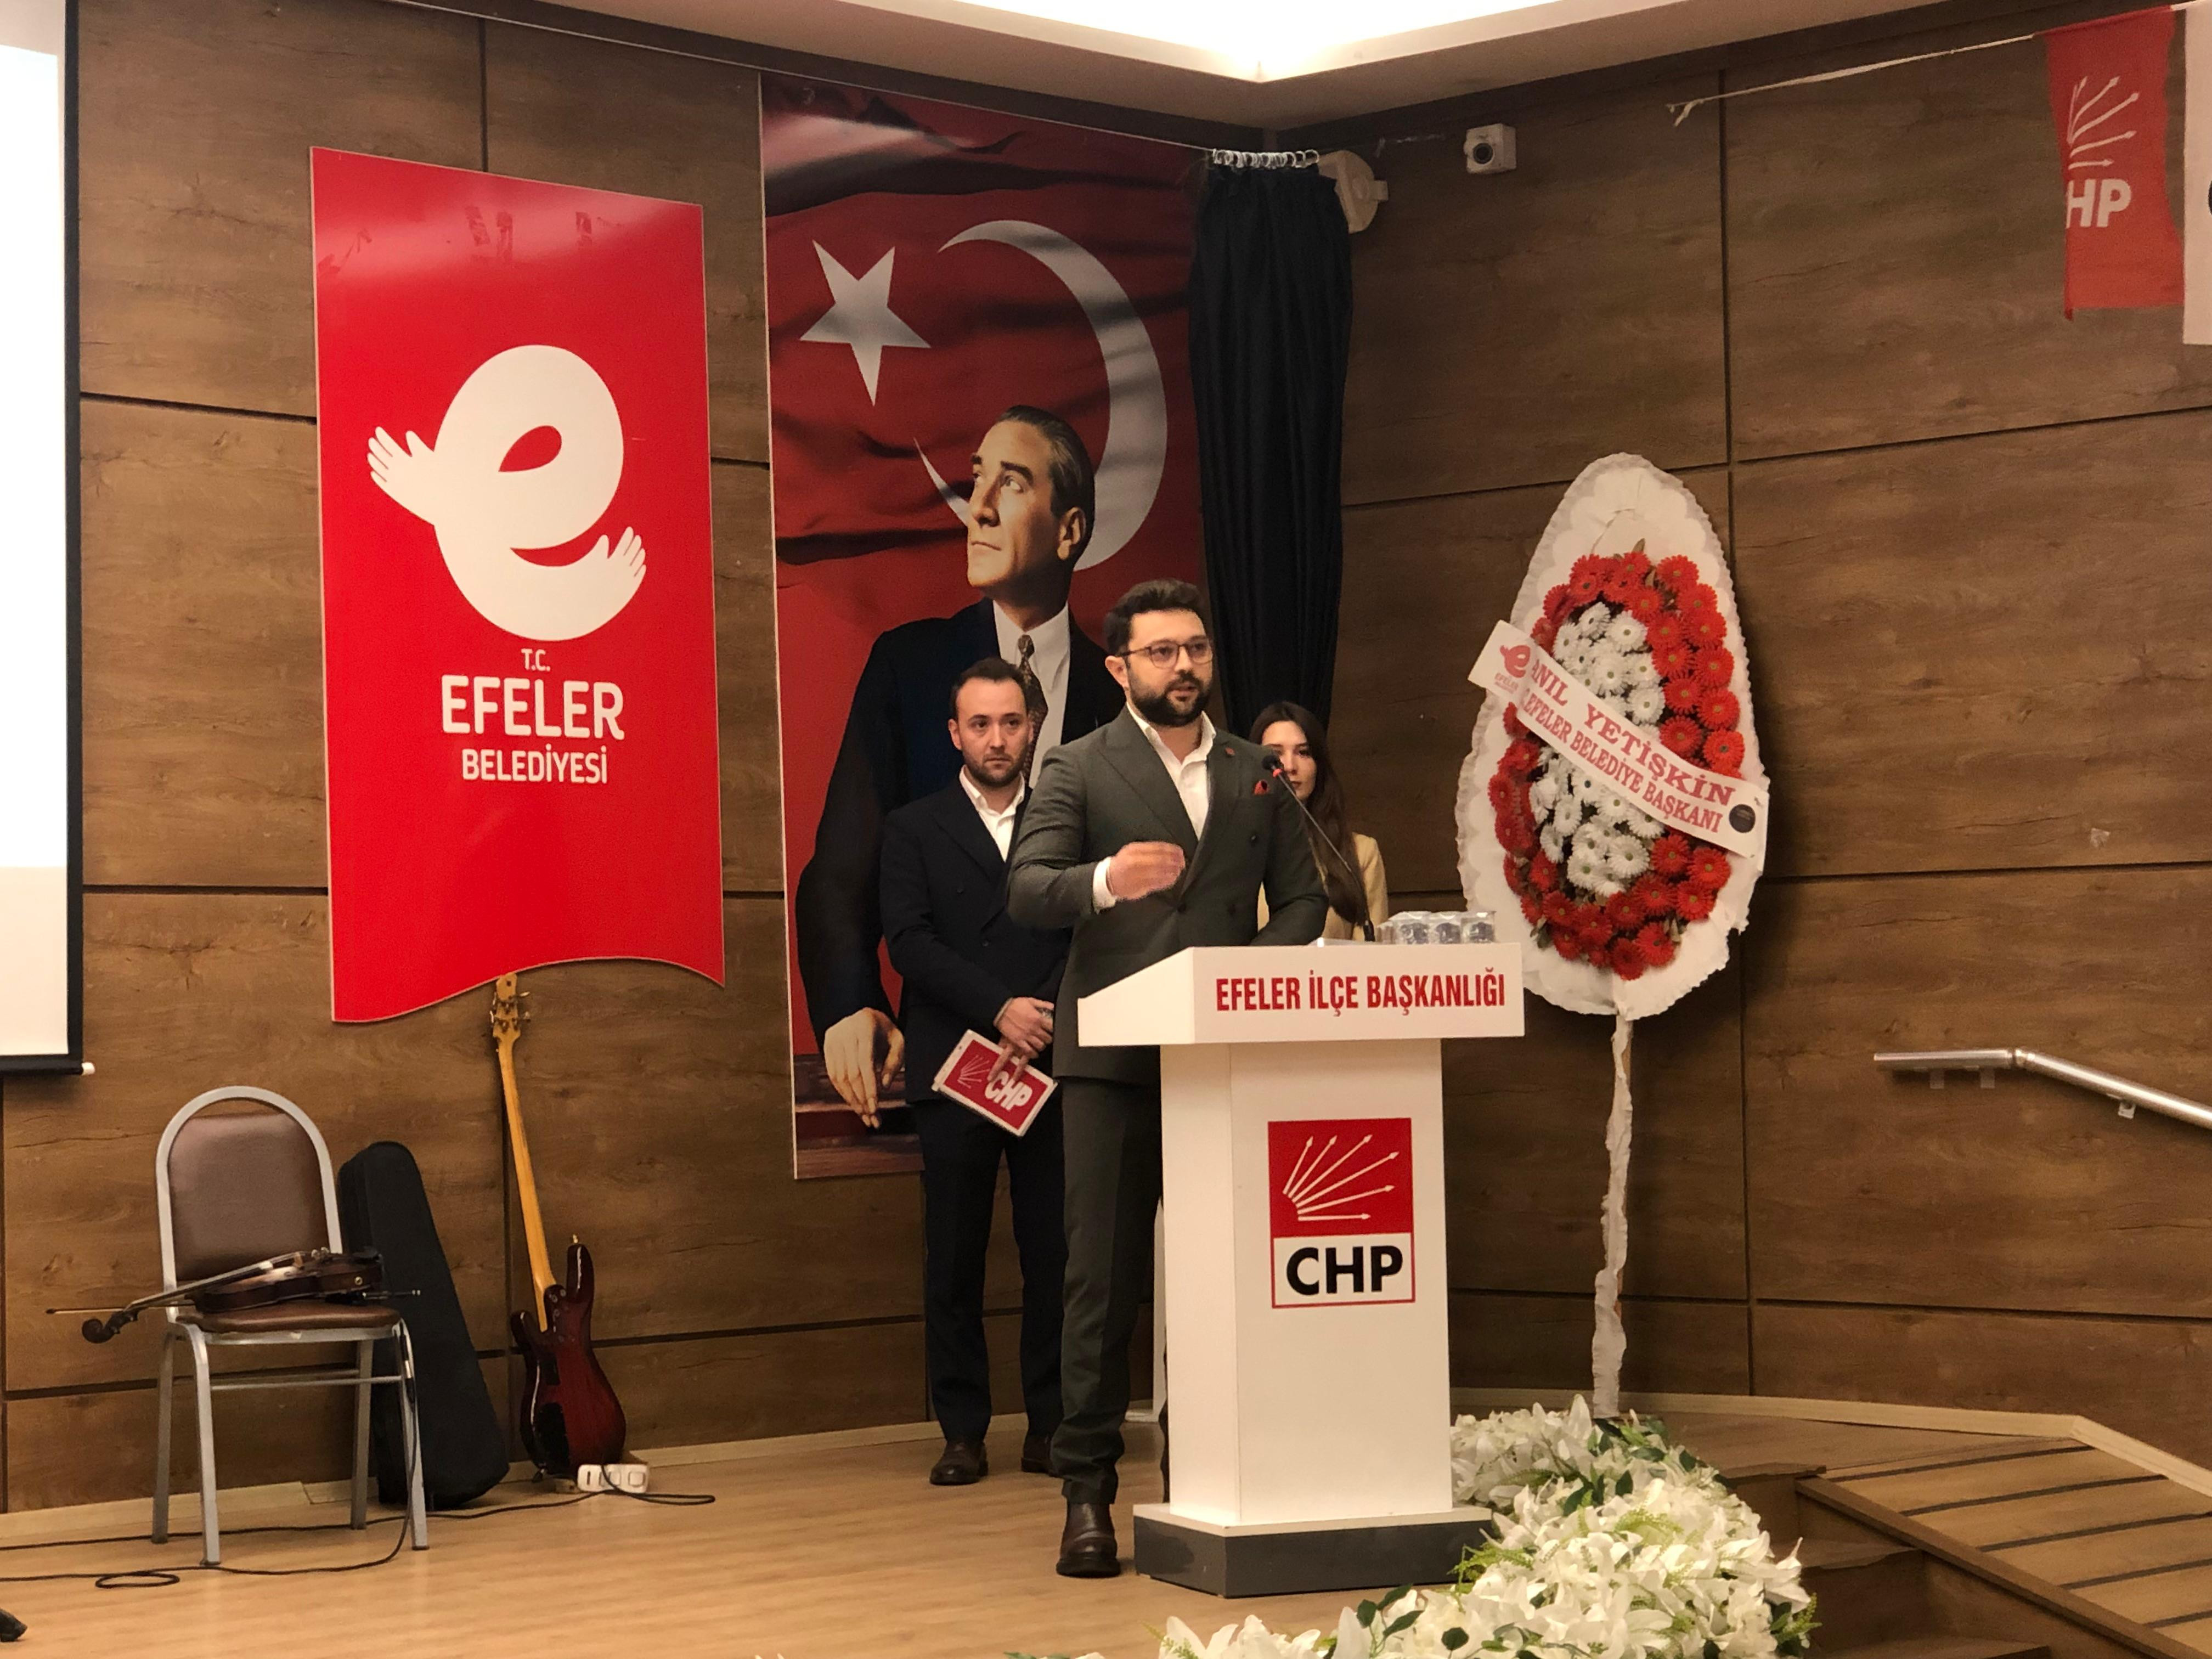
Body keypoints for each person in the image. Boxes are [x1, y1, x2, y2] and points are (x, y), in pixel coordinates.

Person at [1006, 578, 1328, 1578]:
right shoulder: (1076, 764)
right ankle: (1087, 1493)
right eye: (1161, 652)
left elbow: (1304, 900)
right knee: (1101, 1282)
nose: (1184, 666)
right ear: (1118, 668)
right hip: (1111, 1064)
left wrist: (1238, 981)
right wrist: (1107, 881)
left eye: (1195, 648)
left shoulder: (1254, 769)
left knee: (1226, 1278)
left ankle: (1214, 1469)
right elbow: (1027, 889)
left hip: (1221, 1061)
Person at [797, 407, 1123, 1120]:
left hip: (1089, 1065)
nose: (977, 509)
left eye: (1012, 484)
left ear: (1069, 531)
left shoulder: (1121, 701)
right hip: (950, 1054)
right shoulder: (909, 668)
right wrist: (851, 1001)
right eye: (978, 481)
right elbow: (842, 869)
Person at [879, 659, 1071, 1489]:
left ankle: (1052, 1426)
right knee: (953, 1259)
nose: (998, 739)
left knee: (1054, 1255)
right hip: (955, 1062)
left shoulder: (1067, 825)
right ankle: (961, 1432)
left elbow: (1086, 930)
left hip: (1050, 1060)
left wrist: (1039, 1016)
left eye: (1011, 723)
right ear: (955, 734)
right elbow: (909, 943)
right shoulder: (912, 827)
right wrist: (1000, 1009)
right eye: (981, 725)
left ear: (1033, 730)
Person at [1251, 700, 1389, 940]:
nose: (1289, 767)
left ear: (1319, 765)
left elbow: (1371, 955)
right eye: (1275, 754)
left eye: (1304, 753)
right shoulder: (1231, 848)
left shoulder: (1361, 853)